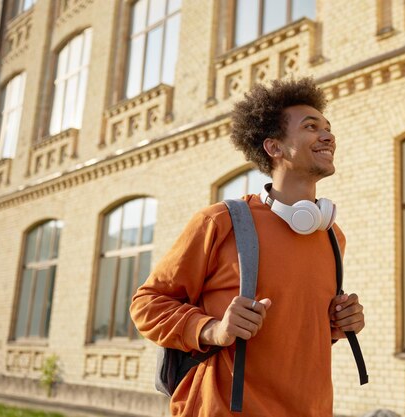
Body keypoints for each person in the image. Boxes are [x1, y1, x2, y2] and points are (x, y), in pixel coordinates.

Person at [130, 77, 365, 417]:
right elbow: (147, 304)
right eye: (311, 127)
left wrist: (339, 323)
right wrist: (214, 329)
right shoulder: (220, 222)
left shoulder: (331, 235)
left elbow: (297, 326)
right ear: (274, 148)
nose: (328, 136)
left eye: (328, 128)